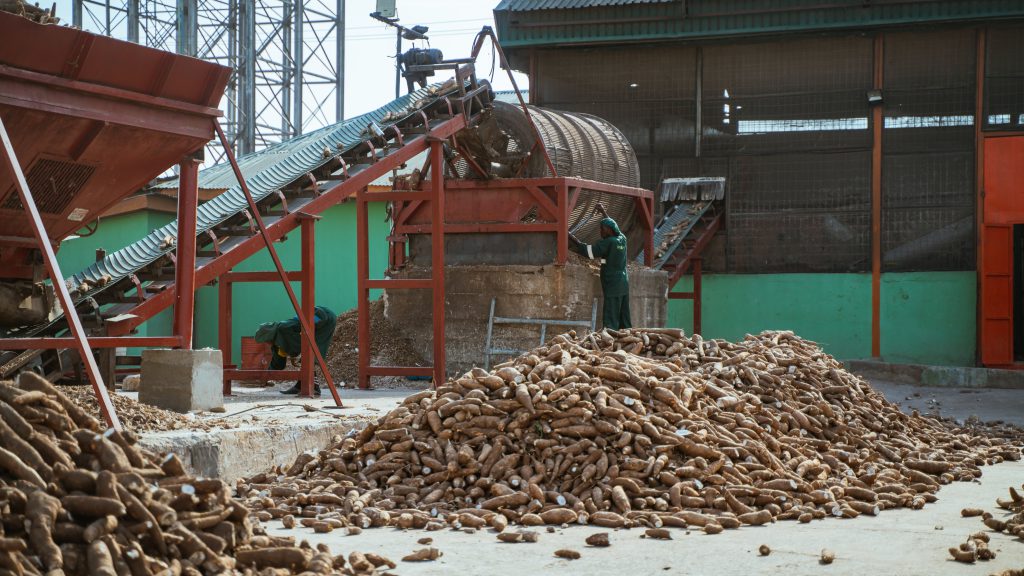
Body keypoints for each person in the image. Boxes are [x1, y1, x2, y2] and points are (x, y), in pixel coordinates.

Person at [569, 203, 632, 330]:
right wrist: (603, 212)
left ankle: (610, 335)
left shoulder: (608, 242)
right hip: (623, 282)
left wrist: (571, 238)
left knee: (611, 312)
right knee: (624, 312)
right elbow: (615, 226)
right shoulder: (622, 238)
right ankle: (627, 333)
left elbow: (590, 253)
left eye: (602, 229)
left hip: (612, 282)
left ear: (608, 230)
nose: (600, 231)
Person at [253, 305, 338, 396]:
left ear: (268, 336)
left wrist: (293, 352)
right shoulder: (279, 334)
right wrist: (267, 375)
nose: (267, 343)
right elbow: (278, 361)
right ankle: (300, 386)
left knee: (310, 353)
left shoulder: (283, 329)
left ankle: (313, 388)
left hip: (325, 319)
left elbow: (294, 342)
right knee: (308, 353)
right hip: (321, 318)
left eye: (266, 341)